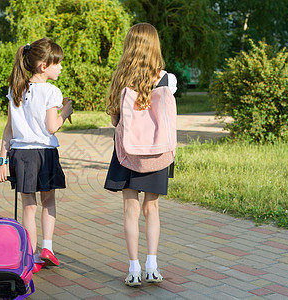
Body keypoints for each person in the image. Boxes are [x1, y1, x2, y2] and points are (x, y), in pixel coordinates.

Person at [104, 23, 177, 286]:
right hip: (157, 151)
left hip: (128, 152)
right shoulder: (168, 80)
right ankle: (152, 266)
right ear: (154, 46)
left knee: (130, 210)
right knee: (152, 208)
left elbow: (115, 120)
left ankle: (133, 268)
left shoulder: (120, 79)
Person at [0, 37, 73, 273]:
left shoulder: (16, 89)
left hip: (21, 155)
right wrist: (65, 111)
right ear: (43, 66)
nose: (60, 67)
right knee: (48, 200)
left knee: (28, 205)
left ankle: (30, 254)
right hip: (45, 154)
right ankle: (47, 247)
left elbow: (8, 129)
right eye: (57, 63)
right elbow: (51, 127)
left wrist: (1, 161)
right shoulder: (52, 91)